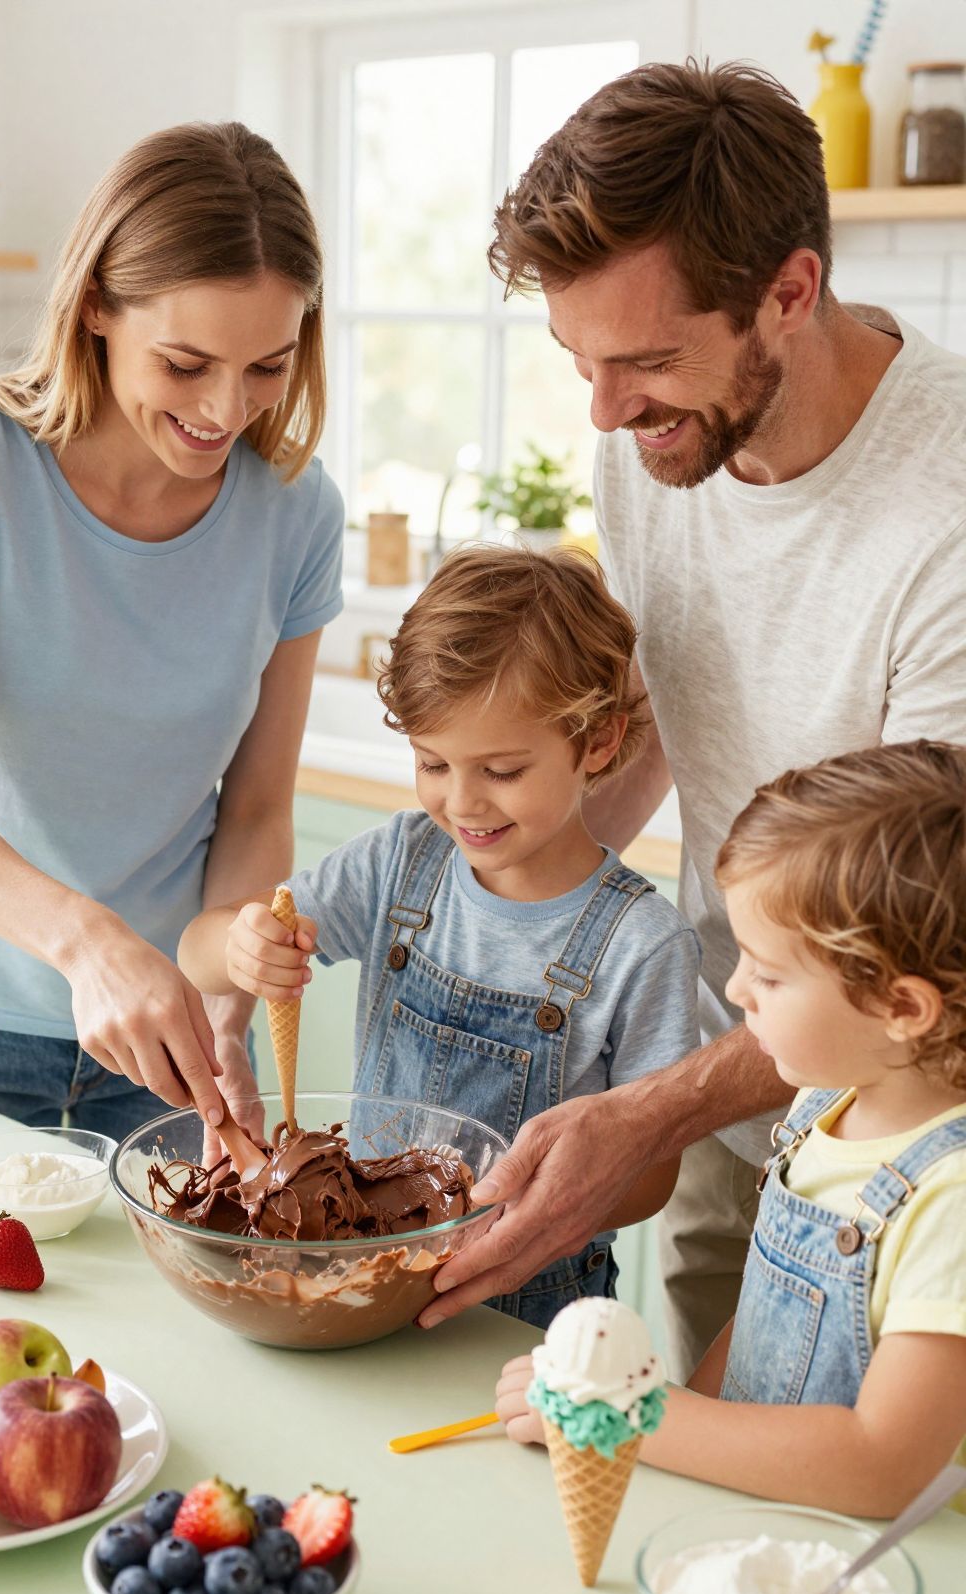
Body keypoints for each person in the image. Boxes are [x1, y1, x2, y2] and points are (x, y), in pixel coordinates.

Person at [420, 61, 966, 1362]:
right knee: (693, 1455)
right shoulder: (654, 443)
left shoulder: (943, 512)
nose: (606, 412)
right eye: (580, 361)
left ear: (791, 291)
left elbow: (934, 933)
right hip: (736, 1075)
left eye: (649, 362)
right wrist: (495, 914)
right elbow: (677, 704)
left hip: (914, 1140)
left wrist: (650, 1112)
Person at [496, 738, 966, 1594]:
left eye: (767, 970)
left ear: (902, 1006)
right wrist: (656, 1399)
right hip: (775, 1579)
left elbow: (882, 1459)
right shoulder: (828, 1110)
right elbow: (753, 1339)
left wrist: (633, 1419)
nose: (735, 989)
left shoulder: (950, 1193)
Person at [0, 122, 343, 1141]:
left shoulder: (298, 514)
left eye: (267, 367)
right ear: (98, 305)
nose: (226, 409)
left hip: (170, 1036)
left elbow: (255, 810)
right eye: (187, 363)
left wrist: (226, 1005)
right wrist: (88, 943)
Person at [179, 543, 699, 1327]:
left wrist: (510, 1206)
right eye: (432, 764)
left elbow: (651, 1176)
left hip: (526, 1309)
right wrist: (239, 946)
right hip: (365, 1279)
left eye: (502, 771)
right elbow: (198, 952)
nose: (463, 803)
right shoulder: (400, 863)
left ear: (598, 742)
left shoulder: (644, 944)